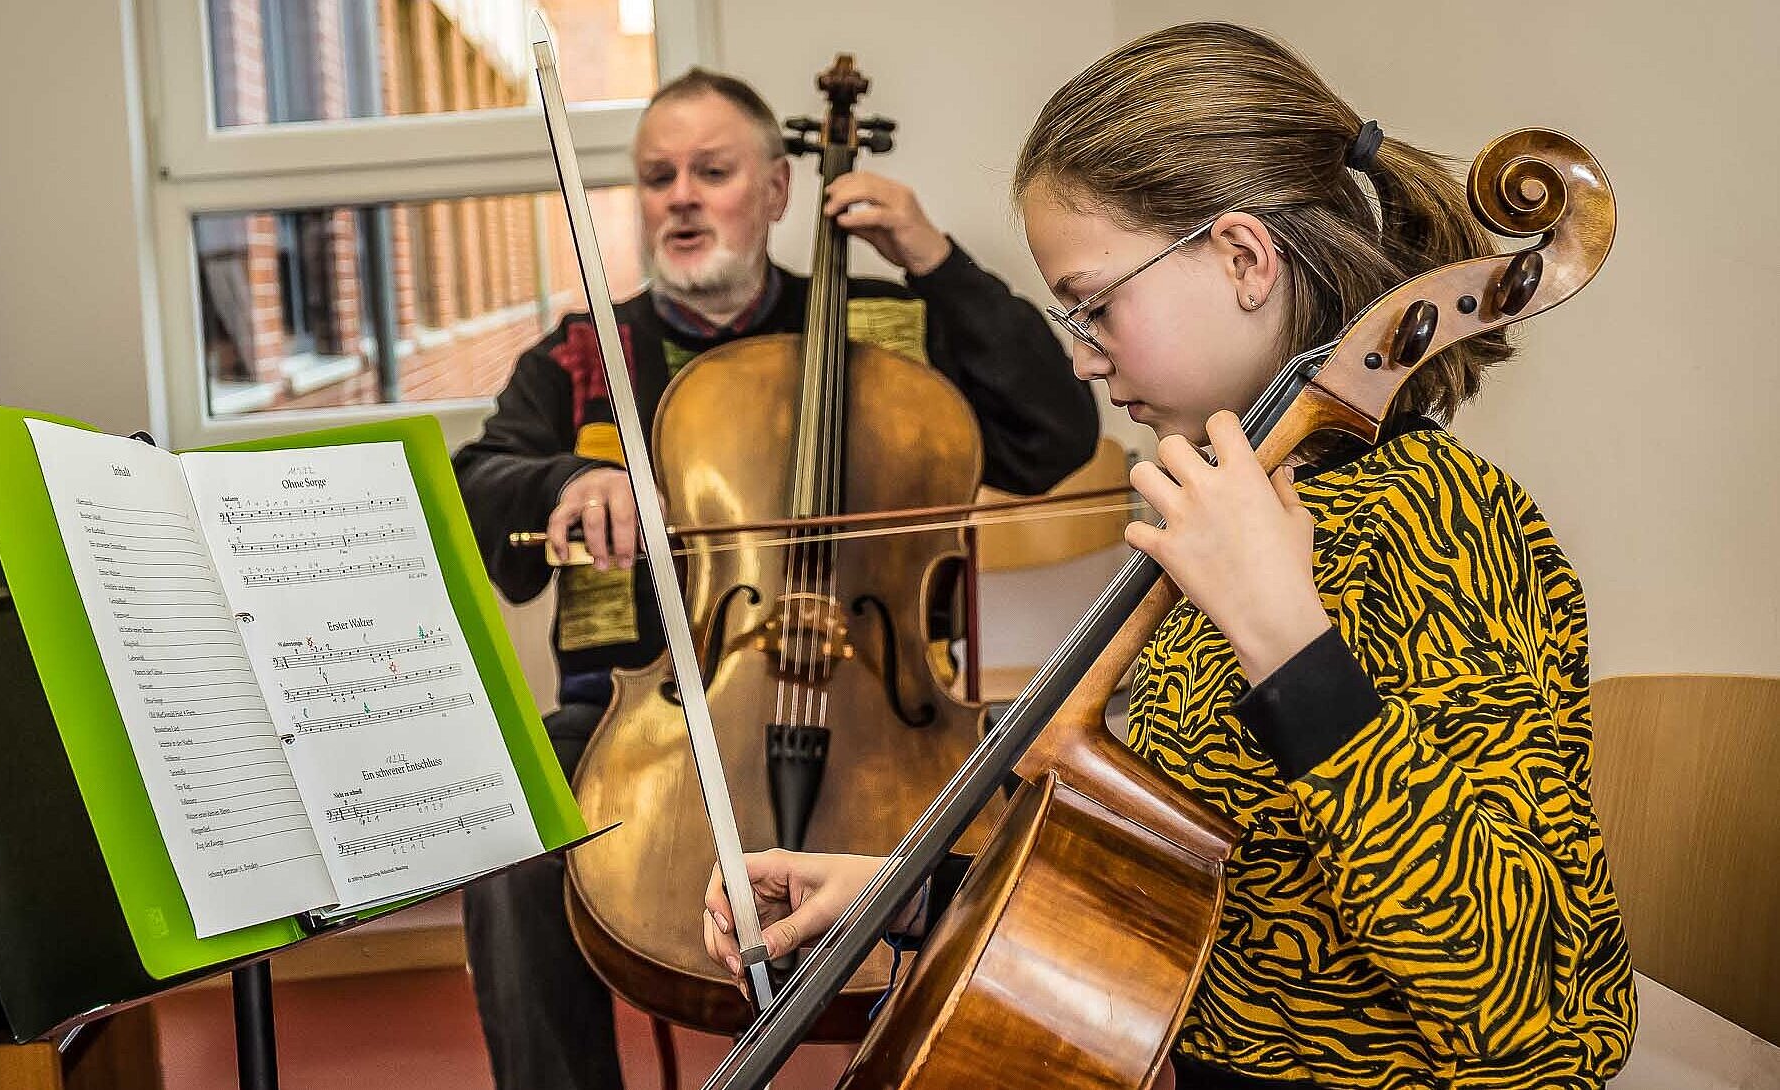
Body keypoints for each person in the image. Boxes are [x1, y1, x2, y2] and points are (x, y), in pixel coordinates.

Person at [705, 23, 1635, 1090]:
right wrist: (910, 893)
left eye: (1097, 302)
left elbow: (1524, 999)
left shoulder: (1441, 523)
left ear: (1243, 257)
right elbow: (1181, 888)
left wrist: (1290, 643)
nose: (1084, 353)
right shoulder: (1232, 510)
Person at [453, 66, 1099, 1090]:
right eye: (657, 176)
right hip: (651, 723)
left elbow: (1055, 433)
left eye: (712, 170)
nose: (681, 196)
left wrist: (935, 264)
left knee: (1014, 845)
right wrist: (567, 473)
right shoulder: (586, 357)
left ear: (777, 190)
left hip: (883, 715)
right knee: (512, 843)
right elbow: (476, 483)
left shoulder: (884, 330)